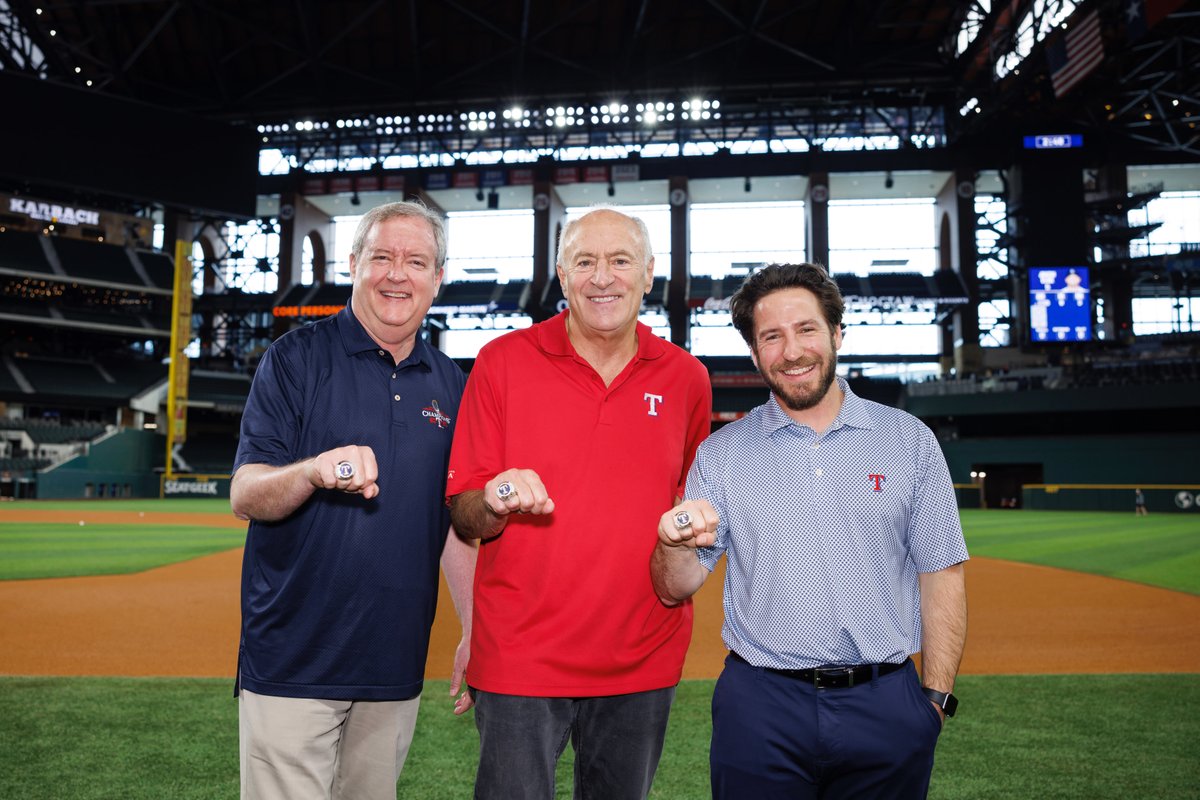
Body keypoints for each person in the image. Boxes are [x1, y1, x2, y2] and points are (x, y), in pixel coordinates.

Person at [651, 262, 968, 799]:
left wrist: (934, 699)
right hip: (760, 707)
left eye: (806, 330)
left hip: (884, 699)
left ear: (836, 333)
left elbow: (942, 574)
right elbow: (673, 586)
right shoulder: (722, 453)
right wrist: (670, 543)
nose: (792, 352)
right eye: (771, 337)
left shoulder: (909, 440)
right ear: (755, 353)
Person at [446, 207, 713, 799]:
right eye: (584, 262)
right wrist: (494, 498)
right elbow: (464, 512)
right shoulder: (502, 362)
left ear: (648, 274)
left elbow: (694, 512)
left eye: (620, 261)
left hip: (641, 657)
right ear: (562, 276)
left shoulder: (686, 378)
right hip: (521, 658)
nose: (602, 277)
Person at [230, 201, 476, 800]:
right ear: (354, 263)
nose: (398, 274)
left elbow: (453, 527)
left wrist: (475, 629)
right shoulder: (295, 358)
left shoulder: (452, 383)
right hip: (293, 657)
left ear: (438, 277)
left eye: (417, 261)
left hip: (394, 662)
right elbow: (245, 493)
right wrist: (313, 470)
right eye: (382, 257)